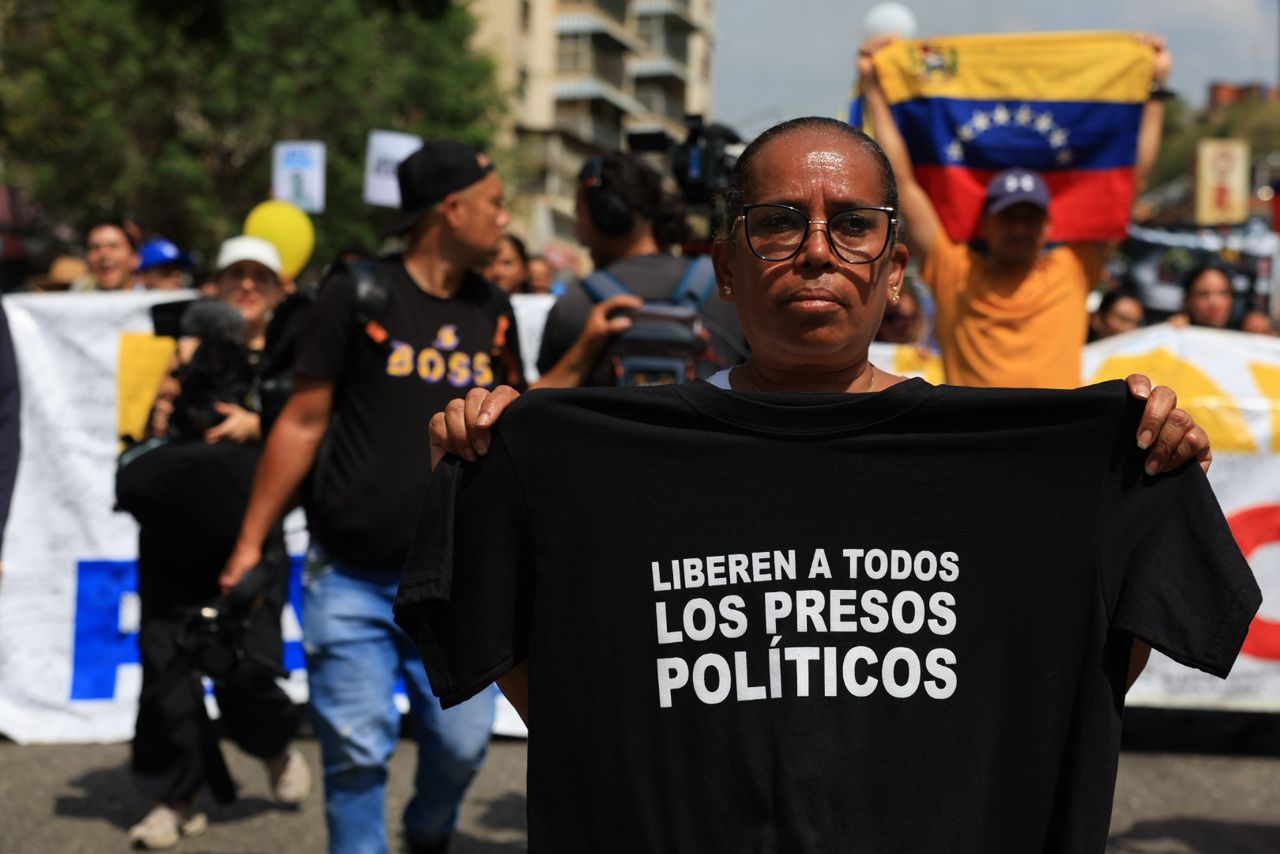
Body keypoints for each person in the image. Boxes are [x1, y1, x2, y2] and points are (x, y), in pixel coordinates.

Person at [407, 117, 1252, 852]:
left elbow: (1091, 671)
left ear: (894, 270)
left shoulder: (1054, 467)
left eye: (853, 224)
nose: (817, 249)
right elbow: (552, 696)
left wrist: (1142, 475)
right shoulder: (581, 462)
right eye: (778, 223)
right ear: (725, 268)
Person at [218, 139, 626, 854]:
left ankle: (428, 831)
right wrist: (251, 542)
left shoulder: (492, 307)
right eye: (496, 204)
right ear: (451, 209)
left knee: (463, 745)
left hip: (457, 585)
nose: (504, 220)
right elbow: (304, 421)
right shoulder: (357, 293)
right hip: (348, 576)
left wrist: (584, 350)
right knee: (355, 757)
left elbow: (515, 413)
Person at [119, 235, 309, 851]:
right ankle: (174, 798)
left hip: (249, 541)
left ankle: (272, 745)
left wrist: (263, 423)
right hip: (171, 544)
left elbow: (321, 435)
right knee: (164, 672)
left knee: (244, 670)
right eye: (235, 275)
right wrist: (164, 393)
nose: (247, 286)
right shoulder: (163, 351)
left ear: (281, 291)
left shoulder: (294, 362)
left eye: (261, 276)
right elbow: (128, 451)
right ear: (215, 285)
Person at [858, 34, 1171, 388]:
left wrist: (1155, 87)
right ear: (987, 223)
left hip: (1056, 441)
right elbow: (902, 181)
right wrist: (874, 85)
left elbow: (1131, 182)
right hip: (974, 440)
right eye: (1009, 218)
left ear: (1048, 226)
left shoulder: (1074, 269)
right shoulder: (953, 271)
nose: (1020, 229)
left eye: (1029, 218)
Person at [535, 151, 748, 384]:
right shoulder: (728, 290)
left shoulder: (574, 306)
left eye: (580, 216)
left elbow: (542, 402)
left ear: (606, 215)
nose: (578, 234)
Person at [78, 217, 141, 291]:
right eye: (95, 247)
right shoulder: (75, 298)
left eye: (113, 246)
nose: (104, 254)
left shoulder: (154, 297)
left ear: (134, 257)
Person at [1170, 263, 1234, 329]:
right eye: (1204, 294)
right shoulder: (1175, 330)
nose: (1214, 302)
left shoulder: (1241, 335)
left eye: (1222, 293)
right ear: (1187, 299)